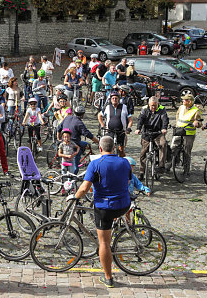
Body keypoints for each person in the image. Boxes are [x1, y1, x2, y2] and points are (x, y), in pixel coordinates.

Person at [72, 136, 132, 288]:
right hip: (124, 205)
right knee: (109, 229)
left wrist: (75, 197)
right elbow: (128, 181)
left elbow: (84, 188)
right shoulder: (125, 162)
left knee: (104, 242)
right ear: (113, 148)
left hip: (105, 207)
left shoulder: (95, 164)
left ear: (100, 149)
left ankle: (108, 277)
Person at [135, 96, 169, 180]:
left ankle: (161, 166)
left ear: (158, 104)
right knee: (143, 153)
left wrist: (164, 128)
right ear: (148, 104)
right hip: (147, 133)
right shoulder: (144, 109)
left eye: (155, 105)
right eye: (151, 105)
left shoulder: (162, 109)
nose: (153, 107)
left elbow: (165, 119)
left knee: (163, 144)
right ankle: (142, 171)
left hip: (158, 132)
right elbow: (140, 119)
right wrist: (138, 128)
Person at [57, 106, 99, 174]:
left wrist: (59, 138)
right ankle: (74, 175)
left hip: (63, 142)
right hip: (74, 144)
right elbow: (89, 135)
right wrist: (98, 142)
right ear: (82, 114)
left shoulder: (67, 117)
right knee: (76, 163)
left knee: (85, 144)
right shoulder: (79, 123)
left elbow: (58, 128)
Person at [170, 93, 202, 171]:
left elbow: (199, 122)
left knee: (186, 152)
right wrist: (177, 124)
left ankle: (186, 170)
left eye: (184, 100)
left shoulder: (196, 110)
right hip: (179, 131)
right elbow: (177, 115)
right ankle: (171, 164)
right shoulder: (181, 107)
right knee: (173, 148)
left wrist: (197, 123)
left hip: (188, 134)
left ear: (190, 101)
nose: (183, 101)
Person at [98, 91, 133, 157]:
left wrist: (128, 128)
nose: (114, 100)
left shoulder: (124, 107)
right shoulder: (107, 107)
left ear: (119, 99)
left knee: (121, 150)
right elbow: (99, 115)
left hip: (121, 131)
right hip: (109, 131)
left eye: (116, 98)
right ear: (110, 99)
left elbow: (130, 120)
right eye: (113, 98)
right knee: (108, 150)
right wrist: (102, 125)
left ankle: (122, 164)